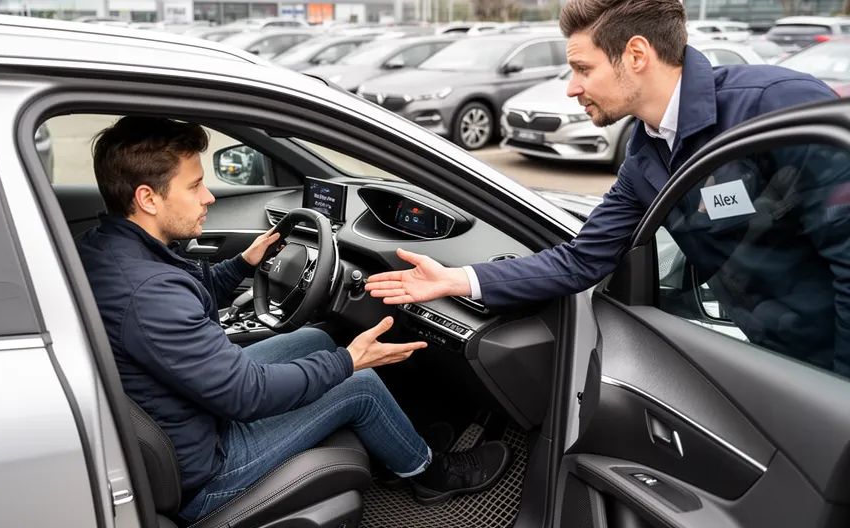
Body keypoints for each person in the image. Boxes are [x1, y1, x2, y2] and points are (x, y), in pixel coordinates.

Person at [366, 0, 848, 376]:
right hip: (772, 353)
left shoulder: (771, 106)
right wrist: (456, 279)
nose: (572, 87)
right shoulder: (645, 154)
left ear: (636, 54)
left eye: (582, 68)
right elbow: (583, 259)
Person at [75, 116, 514, 522]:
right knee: (356, 383)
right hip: (207, 467)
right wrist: (350, 361)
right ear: (147, 198)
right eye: (195, 186)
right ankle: (429, 474)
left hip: (187, 417)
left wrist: (243, 265)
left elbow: (184, 303)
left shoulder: (109, 248)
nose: (208, 196)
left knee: (313, 341)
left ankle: (394, 446)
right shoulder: (149, 293)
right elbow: (246, 396)